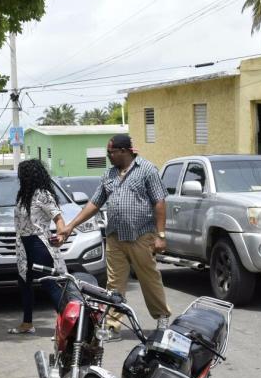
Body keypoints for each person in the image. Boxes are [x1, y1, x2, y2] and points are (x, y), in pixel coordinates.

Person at [60, 134, 169, 337]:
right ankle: (112, 326)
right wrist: (70, 225)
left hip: (141, 235)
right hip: (115, 237)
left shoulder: (147, 170)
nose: (108, 156)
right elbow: (94, 203)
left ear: (124, 151)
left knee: (149, 279)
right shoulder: (108, 175)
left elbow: (160, 202)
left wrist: (160, 235)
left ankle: (162, 317)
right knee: (114, 283)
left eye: (111, 152)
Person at [11, 159, 68, 335]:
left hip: (38, 244)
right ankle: (27, 323)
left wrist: (61, 236)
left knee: (49, 283)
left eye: (22, 174)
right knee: (24, 283)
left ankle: (70, 324)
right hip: (23, 246)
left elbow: (58, 218)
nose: (20, 177)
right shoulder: (24, 195)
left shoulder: (42, 194)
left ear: (30, 175)